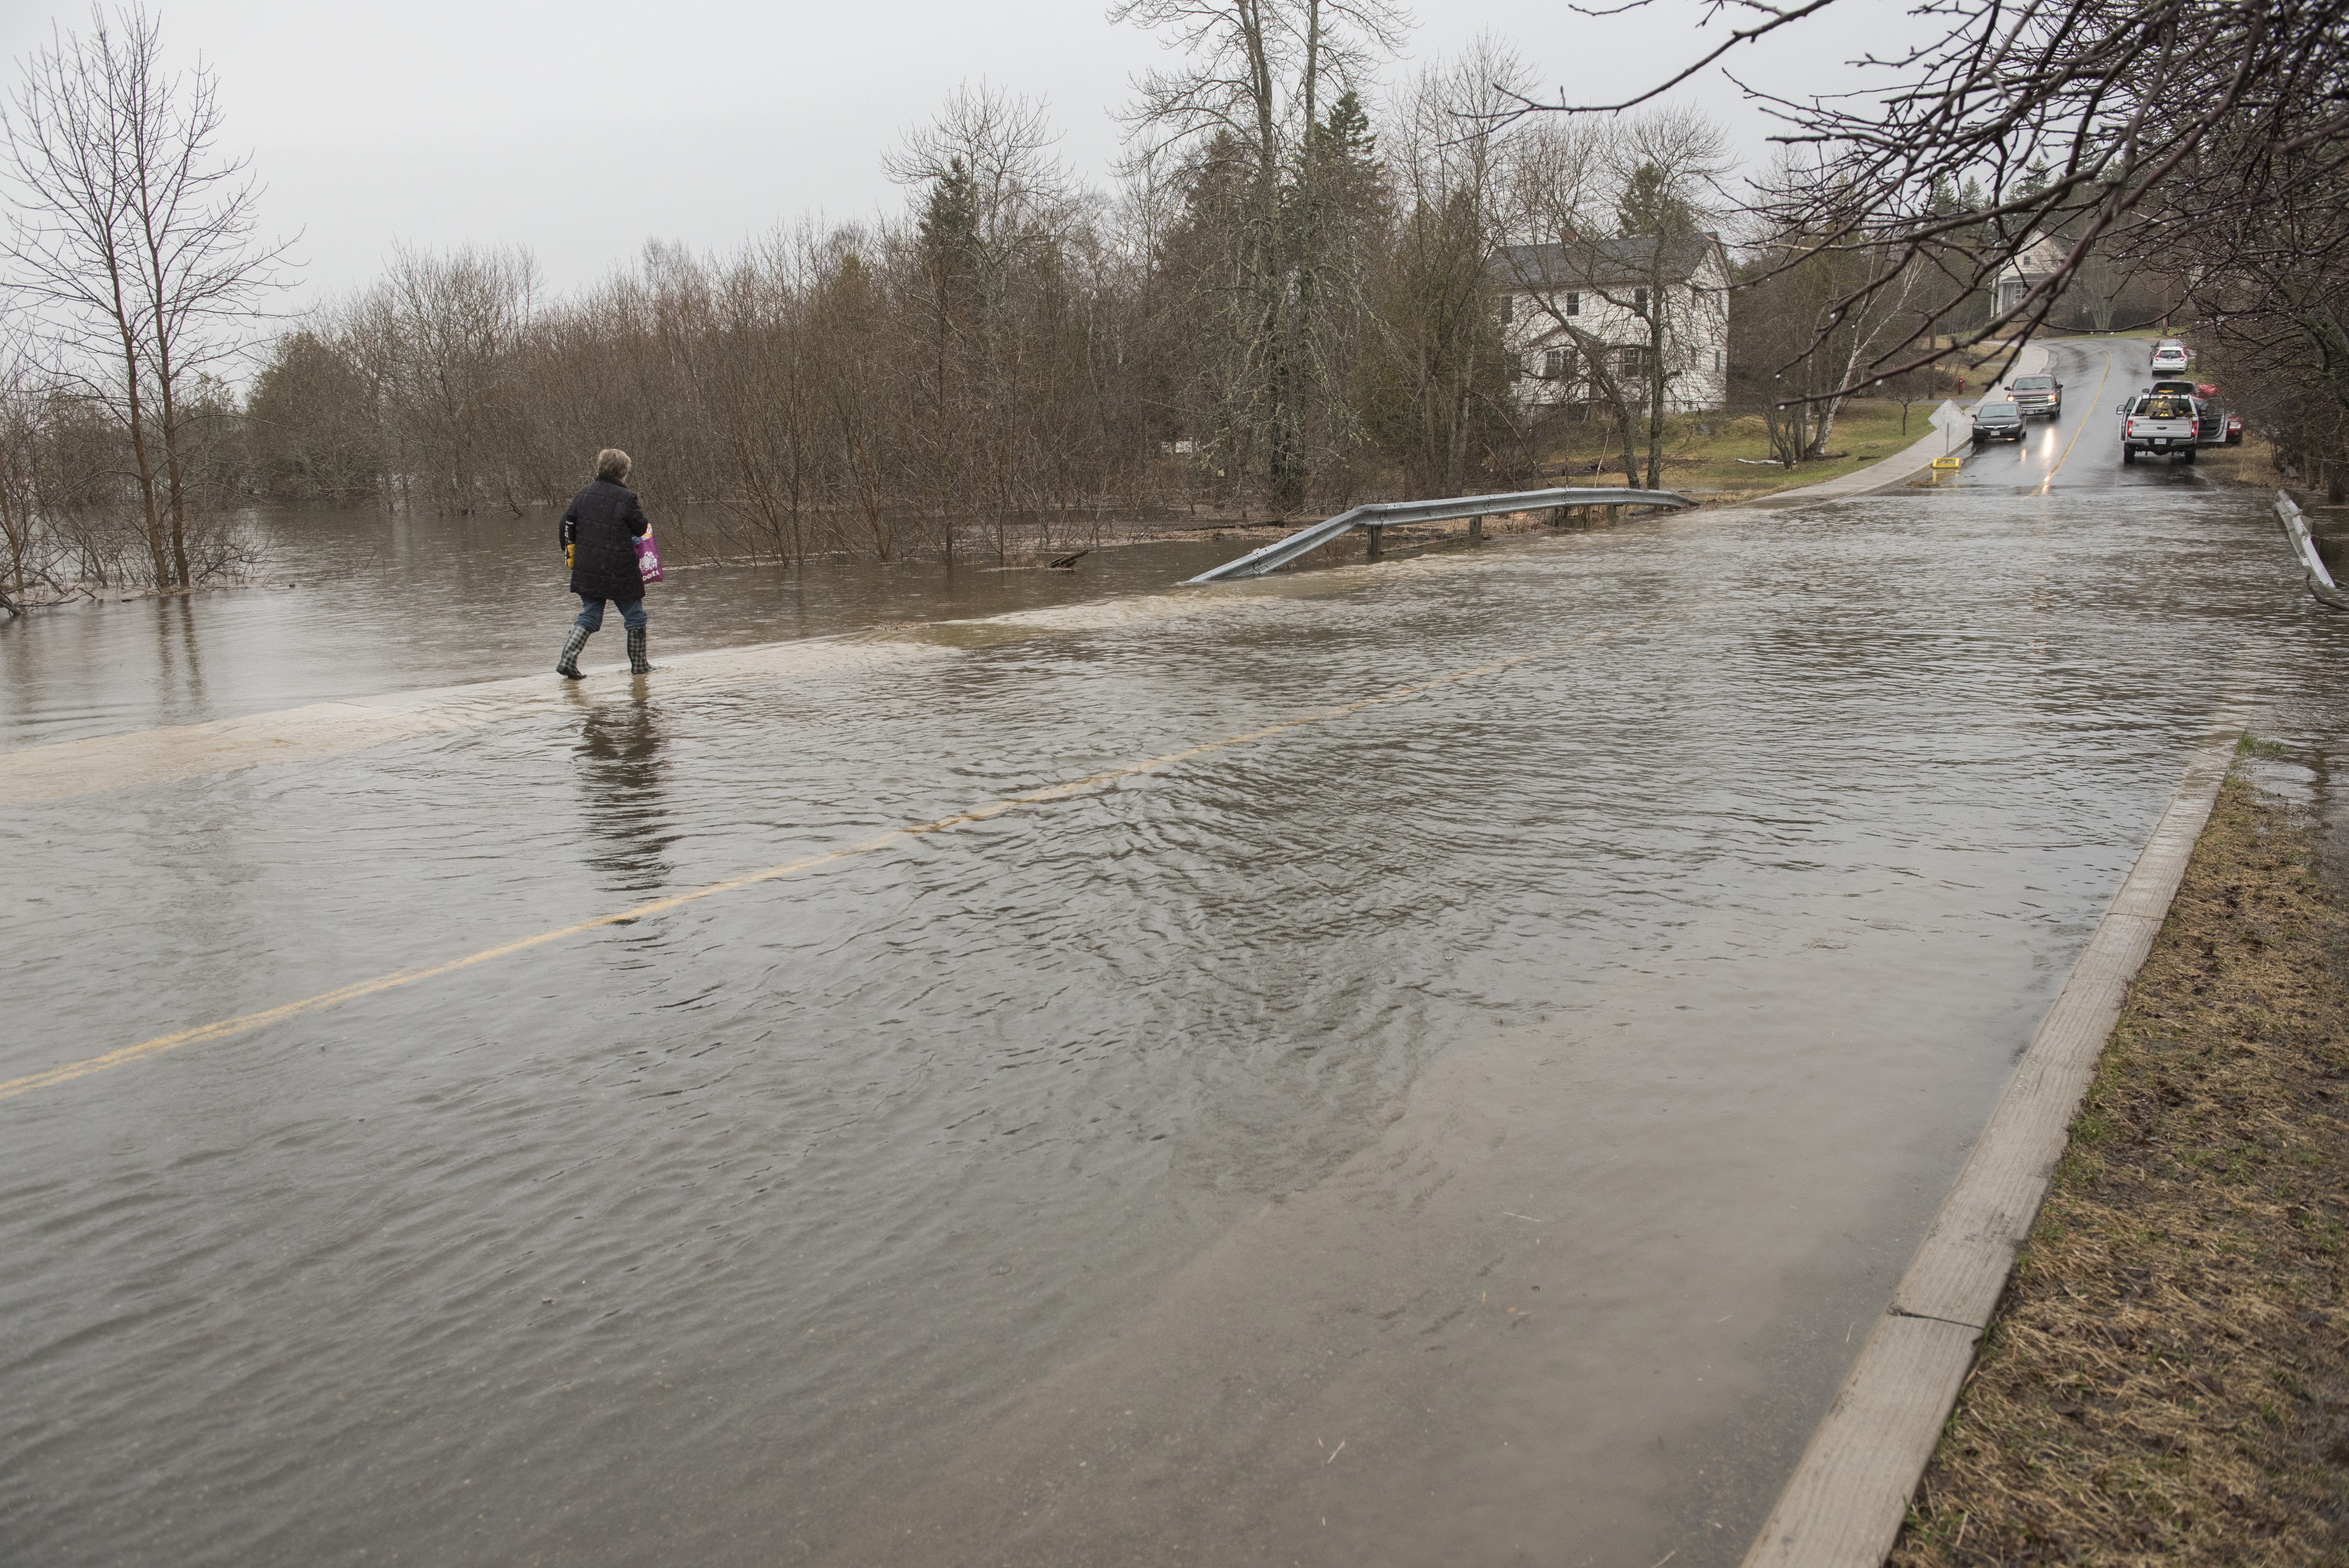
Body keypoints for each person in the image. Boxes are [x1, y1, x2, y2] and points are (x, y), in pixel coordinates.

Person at [556, 449, 655, 678]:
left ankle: (568, 661)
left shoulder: (584, 494)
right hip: (619, 569)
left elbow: (565, 525)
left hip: (588, 567)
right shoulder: (627, 498)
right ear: (624, 473)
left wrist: (572, 554)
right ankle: (640, 666)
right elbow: (641, 528)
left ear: (601, 468)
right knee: (635, 616)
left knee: (590, 615)